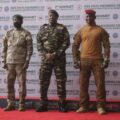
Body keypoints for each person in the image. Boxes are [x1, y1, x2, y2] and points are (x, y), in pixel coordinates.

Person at [72, 9, 110, 115]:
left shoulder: (100, 30)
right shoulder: (82, 30)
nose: (88, 18)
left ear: (94, 17)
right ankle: (83, 106)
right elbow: (75, 46)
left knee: (100, 84)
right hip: (84, 61)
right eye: (86, 17)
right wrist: (75, 59)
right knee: (83, 85)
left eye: (90, 16)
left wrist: (106, 59)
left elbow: (106, 46)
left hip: (98, 61)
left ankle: (101, 106)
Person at [36, 9, 70, 112]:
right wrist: (45, 54)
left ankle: (62, 103)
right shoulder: (43, 28)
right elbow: (38, 42)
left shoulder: (62, 28)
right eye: (49, 16)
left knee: (61, 81)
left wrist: (55, 54)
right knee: (43, 81)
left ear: (56, 17)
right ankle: (43, 103)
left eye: (53, 16)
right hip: (46, 59)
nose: (51, 17)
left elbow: (66, 42)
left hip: (59, 59)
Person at [1, 14, 33, 111]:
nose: (16, 21)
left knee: (22, 83)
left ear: (22, 21)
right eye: (14, 19)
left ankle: (21, 104)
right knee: (9, 83)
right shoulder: (8, 33)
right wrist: (3, 60)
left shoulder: (26, 33)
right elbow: (4, 48)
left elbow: (30, 49)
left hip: (21, 62)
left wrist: (27, 61)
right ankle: (10, 103)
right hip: (10, 62)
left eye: (18, 19)